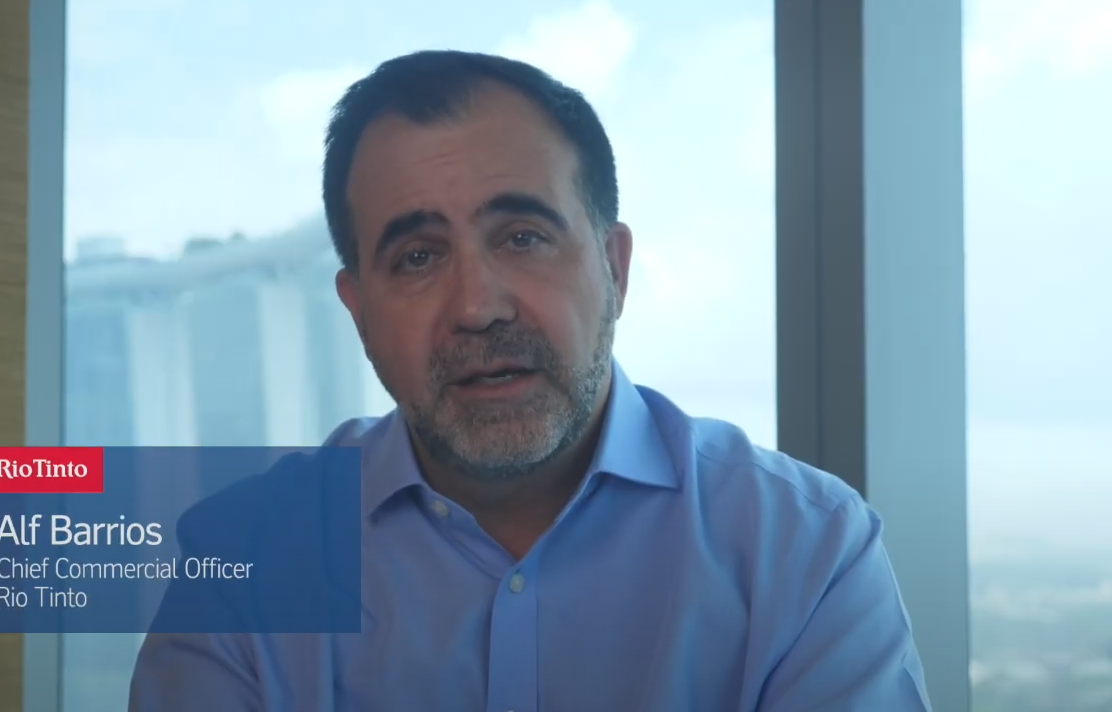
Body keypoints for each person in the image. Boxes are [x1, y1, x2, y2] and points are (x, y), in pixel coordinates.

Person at [130, 49, 932, 711]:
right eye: (417, 257)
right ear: (358, 310)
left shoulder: (807, 552)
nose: (477, 307)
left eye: (522, 237)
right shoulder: (239, 564)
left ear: (615, 269)